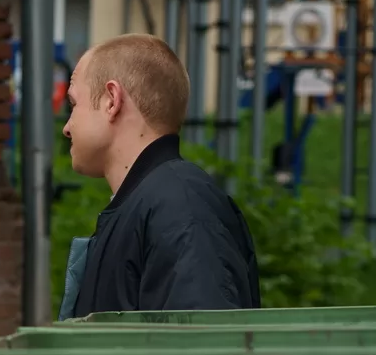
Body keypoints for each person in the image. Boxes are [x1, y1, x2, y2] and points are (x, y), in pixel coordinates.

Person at [59, 34, 262, 318]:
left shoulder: (181, 207)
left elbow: (204, 340)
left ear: (111, 100)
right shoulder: (157, 204)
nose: (67, 127)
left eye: (73, 104)